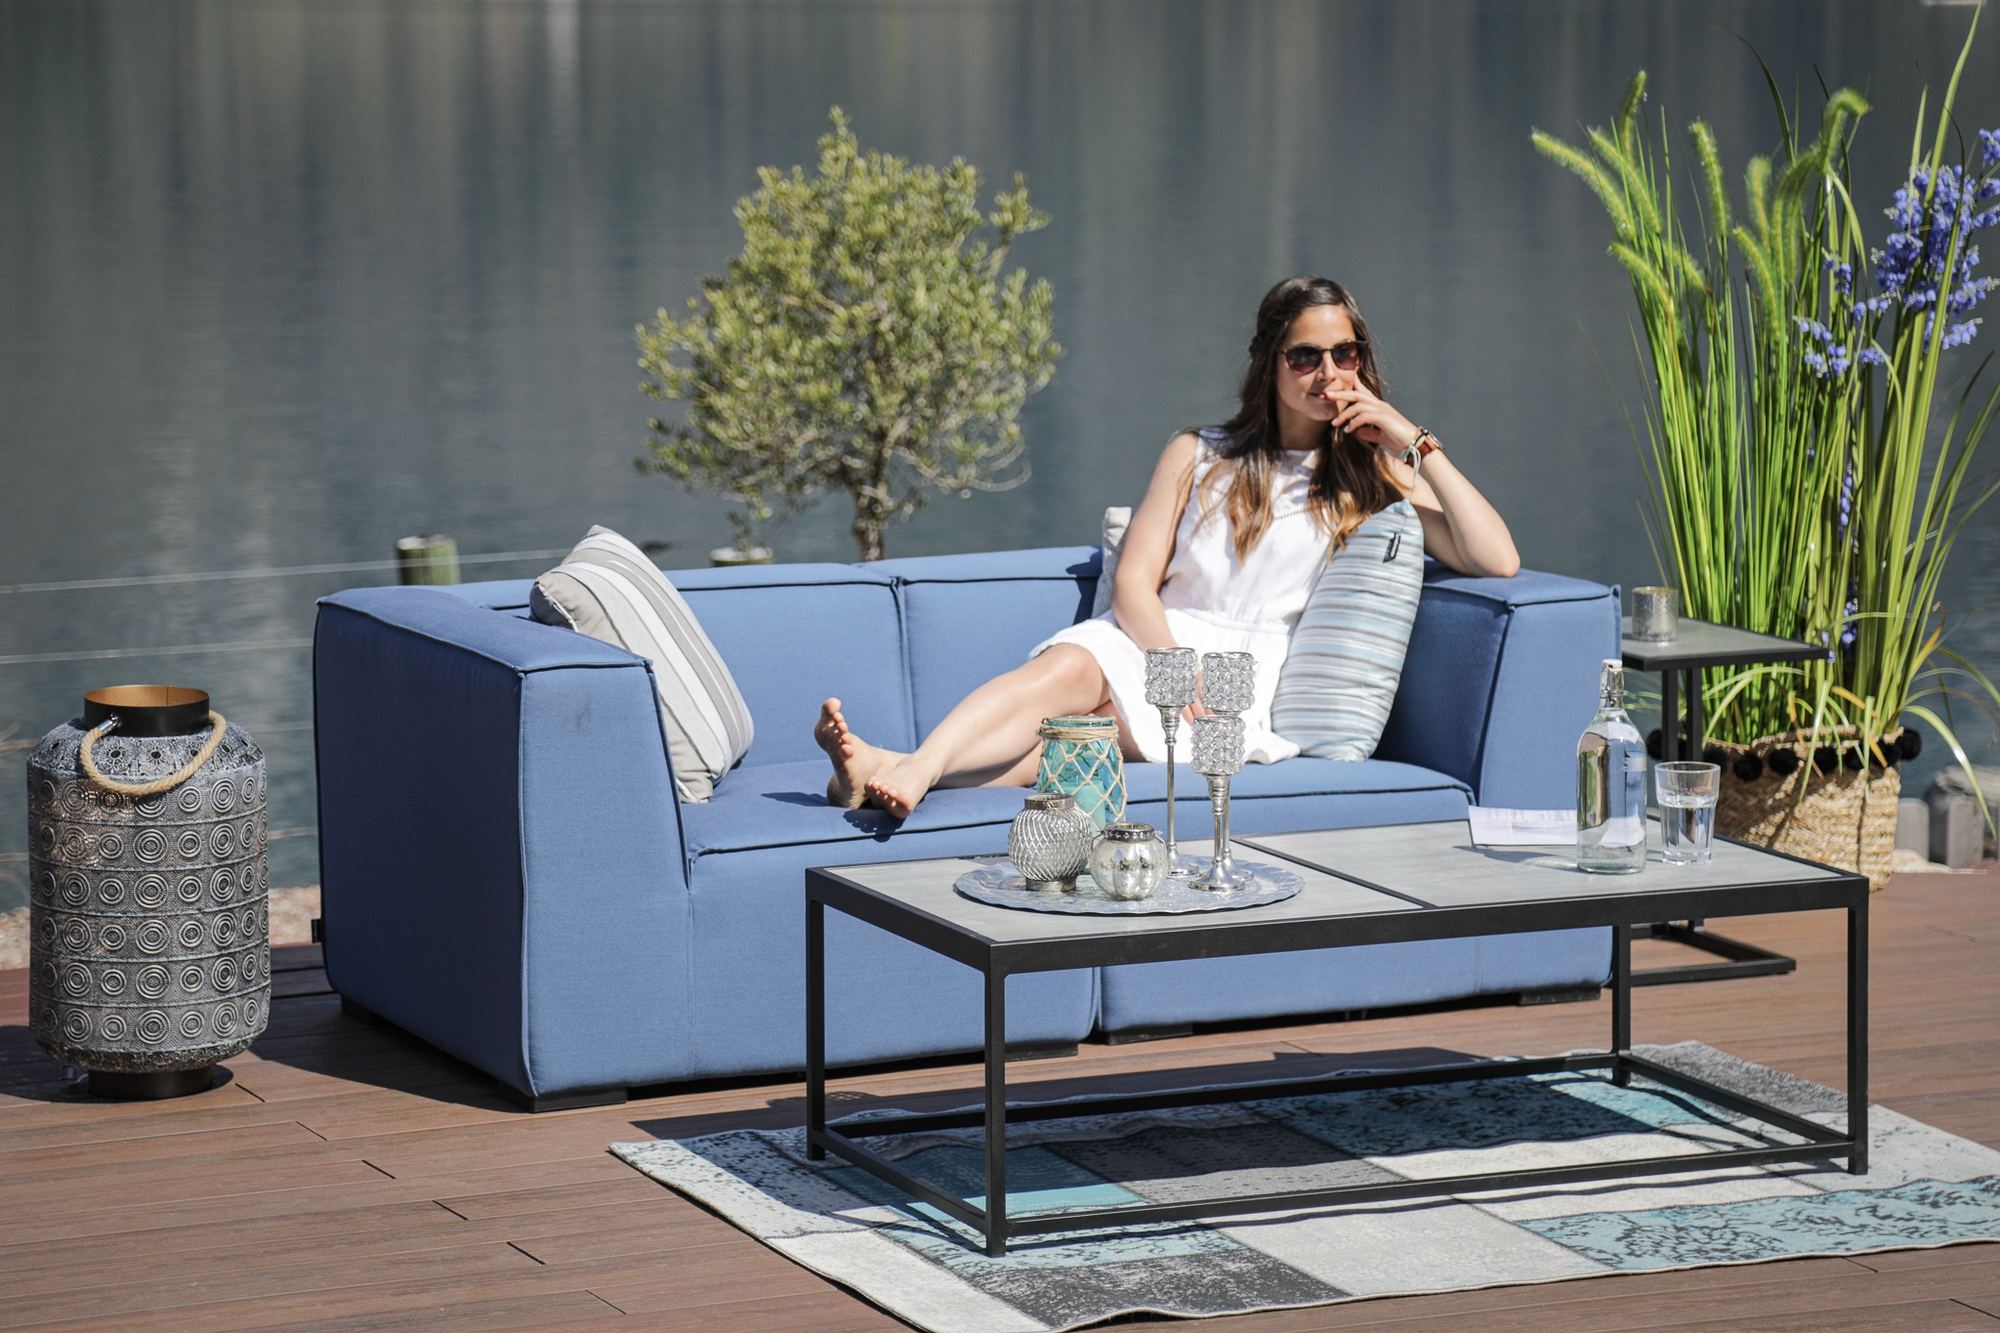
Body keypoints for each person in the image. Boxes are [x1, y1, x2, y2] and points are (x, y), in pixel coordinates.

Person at [815, 275, 1521, 818]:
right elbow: (1134, 585)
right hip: (1151, 641)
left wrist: (1410, 436)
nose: (1328, 373)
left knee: (1065, 742)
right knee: (1074, 667)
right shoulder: (1198, 453)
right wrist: (1172, 672)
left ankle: (901, 766)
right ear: (1269, 364)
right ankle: (914, 766)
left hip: (1240, 682)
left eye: (1345, 353)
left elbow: (1498, 558)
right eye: (1305, 356)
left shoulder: (1372, 477)